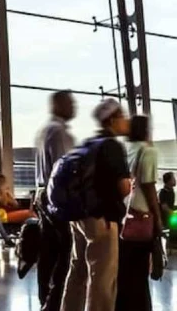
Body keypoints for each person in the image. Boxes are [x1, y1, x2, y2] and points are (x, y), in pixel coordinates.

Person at [60, 99, 131, 311]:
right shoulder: (112, 146)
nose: (126, 121)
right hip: (102, 219)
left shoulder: (87, 144)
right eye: (122, 116)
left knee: (78, 272)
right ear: (112, 120)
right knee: (102, 278)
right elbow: (123, 187)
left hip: (79, 217)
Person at [116, 115, 161, 311]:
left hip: (124, 217)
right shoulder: (148, 151)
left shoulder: (125, 149)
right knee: (141, 271)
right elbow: (149, 187)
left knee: (126, 271)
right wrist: (157, 218)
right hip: (142, 217)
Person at [36, 90, 76, 311]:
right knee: (66, 251)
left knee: (48, 251)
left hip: (43, 194)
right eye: (70, 103)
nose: (74, 107)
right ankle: (56, 300)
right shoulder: (59, 132)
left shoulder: (44, 131)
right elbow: (63, 170)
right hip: (57, 196)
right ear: (59, 105)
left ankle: (45, 298)